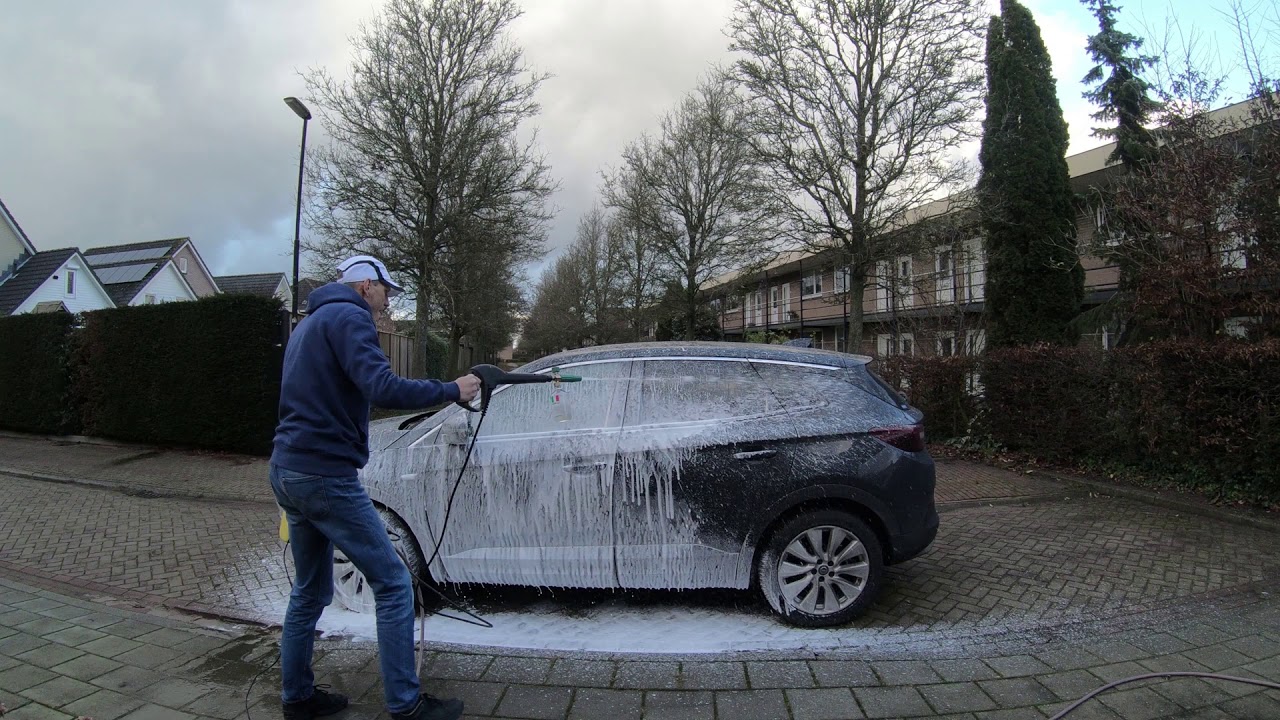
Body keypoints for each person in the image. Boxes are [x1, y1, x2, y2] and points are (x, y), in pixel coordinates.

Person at [269, 254, 480, 720]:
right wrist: (451, 390)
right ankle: (406, 705)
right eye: (385, 292)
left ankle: (297, 698)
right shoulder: (350, 317)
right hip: (324, 474)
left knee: (309, 591)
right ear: (366, 285)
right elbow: (382, 387)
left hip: (288, 468)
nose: (386, 303)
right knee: (394, 582)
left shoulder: (309, 324)